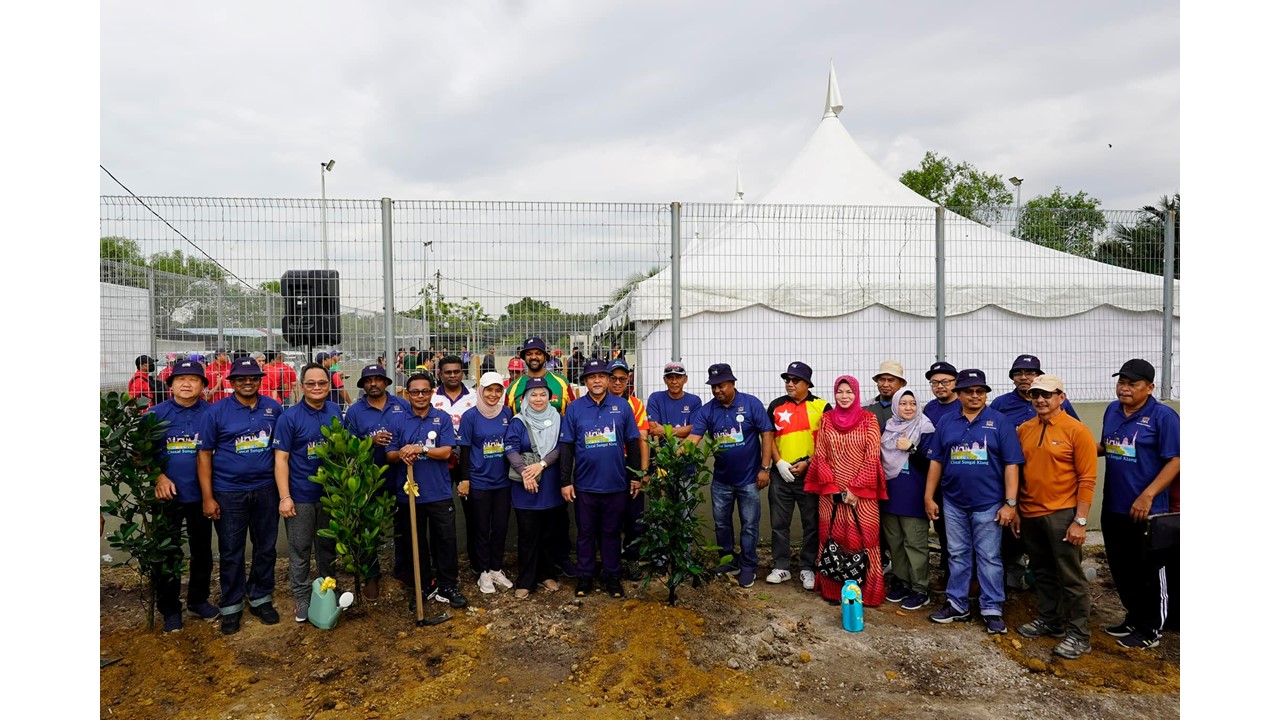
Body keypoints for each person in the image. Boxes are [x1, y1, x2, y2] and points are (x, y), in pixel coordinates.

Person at [924, 369, 1024, 635]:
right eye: (969, 391)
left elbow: (1012, 464)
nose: (975, 396)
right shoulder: (947, 421)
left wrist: (1010, 503)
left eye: (980, 391)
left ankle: (992, 608)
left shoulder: (999, 422)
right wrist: (929, 496)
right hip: (953, 502)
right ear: (959, 394)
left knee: (989, 557)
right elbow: (936, 461)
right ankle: (957, 603)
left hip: (989, 504)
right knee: (957, 554)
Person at [196, 357, 285, 635]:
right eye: (241, 378)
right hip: (228, 492)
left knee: (265, 547)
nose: (248, 382)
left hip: (266, 489)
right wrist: (208, 497)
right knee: (231, 551)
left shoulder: (273, 408)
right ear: (231, 382)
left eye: (254, 378)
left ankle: (260, 597)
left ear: (260, 380)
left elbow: (282, 451)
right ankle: (231, 605)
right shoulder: (215, 412)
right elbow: (204, 455)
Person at [1098, 358, 1179, 650]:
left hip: (1148, 510)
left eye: (1132, 384)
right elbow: (1107, 446)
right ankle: (1133, 618)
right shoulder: (1112, 410)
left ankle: (1151, 628)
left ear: (1150, 387)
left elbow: (1176, 460)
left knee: (1149, 570)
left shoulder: (1163, 417)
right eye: (1121, 382)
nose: (1124, 388)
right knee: (1122, 567)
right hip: (1115, 505)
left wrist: (1148, 494)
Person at [1015, 375, 1096, 659]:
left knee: (1071, 577)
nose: (1040, 400)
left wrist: (1080, 520)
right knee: (1042, 572)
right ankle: (1051, 620)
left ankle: (1079, 634)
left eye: (1047, 395)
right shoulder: (1024, 429)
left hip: (1062, 514)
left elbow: (1087, 479)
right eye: (1035, 394)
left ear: (1061, 397)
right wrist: (1015, 509)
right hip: (1030, 513)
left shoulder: (1077, 431)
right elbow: (1019, 473)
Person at [990, 354, 1081, 591]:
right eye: (1018, 373)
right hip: (1014, 478)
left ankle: (1042, 583)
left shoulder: (1059, 405)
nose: (1024, 377)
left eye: (1029, 373)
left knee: (1054, 547)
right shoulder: (1001, 404)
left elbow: (1074, 436)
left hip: (1053, 488)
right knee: (1013, 534)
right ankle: (1013, 575)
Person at [559, 358, 643, 599]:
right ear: (585, 381)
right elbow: (566, 447)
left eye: (601, 376)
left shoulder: (622, 406)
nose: (597, 380)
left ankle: (612, 576)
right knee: (585, 533)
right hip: (584, 486)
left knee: (611, 532)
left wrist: (636, 476)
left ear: (608, 380)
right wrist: (566, 481)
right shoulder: (574, 409)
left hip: (616, 484)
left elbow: (633, 443)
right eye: (591, 377)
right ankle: (584, 575)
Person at [687, 363, 775, 589]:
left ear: (732, 383)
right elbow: (693, 439)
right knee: (722, 524)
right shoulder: (707, 410)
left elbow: (766, 433)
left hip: (749, 480)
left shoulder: (751, 404)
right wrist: (672, 458)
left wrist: (765, 468)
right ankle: (727, 561)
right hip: (721, 482)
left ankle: (747, 566)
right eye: (714, 386)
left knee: (749, 525)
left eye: (721, 385)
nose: (717, 390)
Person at [387, 373, 469, 609]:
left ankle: (448, 585)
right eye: (415, 392)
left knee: (446, 539)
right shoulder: (399, 420)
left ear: (432, 392)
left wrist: (420, 449)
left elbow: (445, 452)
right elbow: (389, 455)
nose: (420, 396)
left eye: (425, 391)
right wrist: (401, 452)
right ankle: (424, 584)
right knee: (415, 542)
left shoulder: (441, 418)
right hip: (410, 494)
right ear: (407, 394)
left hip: (439, 492)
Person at [147, 359, 219, 632]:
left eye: (193, 379)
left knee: (202, 552)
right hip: (167, 498)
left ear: (203, 385)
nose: (186, 384)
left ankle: (198, 600)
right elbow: (141, 453)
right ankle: (169, 609)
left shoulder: (212, 413)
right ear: (170, 385)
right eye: (180, 379)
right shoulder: (154, 415)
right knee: (168, 555)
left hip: (202, 495)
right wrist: (158, 476)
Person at [806, 376, 886, 606]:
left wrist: (854, 489)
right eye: (840, 391)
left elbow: (872, 458)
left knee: (865, 539)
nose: (844, 396)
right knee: (832, 537)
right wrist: (832, 487)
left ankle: (866, 593)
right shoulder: (826, 420)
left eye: (849, 392)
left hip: (862, 494)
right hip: (830, 494)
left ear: (857, 394)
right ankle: (833, 591)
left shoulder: (869, 420)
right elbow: (820, 455)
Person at [272, 363, 342, 624]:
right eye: (311, 383)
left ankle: (328, 589)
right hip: (300, 495)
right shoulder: (289, 418)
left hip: (330, 494)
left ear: (329, 385)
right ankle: (302, 597)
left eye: (322, 383)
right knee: (300, 549)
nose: (316, 388)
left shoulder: (335, 412)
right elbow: (281, 459)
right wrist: (284, 496)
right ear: (302, 386)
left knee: (327, 547)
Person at [342, 364, 412, 598]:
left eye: (378, 379)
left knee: (403, 525)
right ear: (363, 385)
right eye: (369, 380)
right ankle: (372, 575)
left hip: (400, 475)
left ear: (385, 383)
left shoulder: (401, 405)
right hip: (369, 479)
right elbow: (346, 448)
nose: (374, 383)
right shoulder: (354, 411)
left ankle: (403, 570)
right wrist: (369, 442)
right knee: (368, 529)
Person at [765, 361, 828, 590]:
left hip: (810, 475)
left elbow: (827, 441)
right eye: (787, 380)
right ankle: (781, 566)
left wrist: (809, 464)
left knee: (811, 522)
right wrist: (779, 462)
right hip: (781, 474)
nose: (789, 384)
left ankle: (807, 567)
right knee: (779, 522)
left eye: (795, 380)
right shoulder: (775, 405)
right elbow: (768, 436)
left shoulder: (822, 407)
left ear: (807, 383)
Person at [505, 376, 568, 598]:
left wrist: (541, 465)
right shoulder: (518, 421)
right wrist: (525, 472)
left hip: (550, 484)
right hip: (526, 486)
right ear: (525, 398)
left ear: (550, 398)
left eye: (543, 394)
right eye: (534, 395)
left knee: (549, 533)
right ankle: (526, 580)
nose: (538, 399)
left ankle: (546, 575)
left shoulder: (559, 419)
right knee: (528, 534)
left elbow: (561, 447)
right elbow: (510, 447)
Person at [458, 373, 515, 595]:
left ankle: (495, 568)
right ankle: (482, 572)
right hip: (479, 482)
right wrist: (465, 480)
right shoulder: (470, 417)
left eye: (497, 390)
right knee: (481, 529)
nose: (493, 395)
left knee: (500, 527)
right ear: (480, 391)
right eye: (489, 390)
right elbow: (464, 450)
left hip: (503, 482)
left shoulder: (507, 413)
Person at [879, 387, 935, 611]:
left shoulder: (926, 428)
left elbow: (933, 463)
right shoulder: (888, 428)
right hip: (891, 495)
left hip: (914, 495)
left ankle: (920, 588)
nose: (908, 408)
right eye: (903, 403)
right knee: (896, 543)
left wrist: (911, 448)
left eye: (912, 403)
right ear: (895, 405)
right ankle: (902, 582)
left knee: (915, 543)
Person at [432, 354, 481, 574]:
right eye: (447, 372)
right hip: (439, 464)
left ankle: (477, 564)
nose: (452, 376)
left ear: (462, 372)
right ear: (439, 374)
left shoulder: (475, 397)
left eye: (456, 371)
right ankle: (440, 566)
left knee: (474, 515)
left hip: (468, 463)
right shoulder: (431, 398)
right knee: (439, 516)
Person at [607, 359, 649, 579]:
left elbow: (642, 440)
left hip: (630, 464)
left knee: (635, 518)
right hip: (606, 466)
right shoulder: (598, 403)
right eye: (612, 378)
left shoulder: (636, 405)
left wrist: (642, 473)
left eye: (622, 379)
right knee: (609, 517)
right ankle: (610, 562)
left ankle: (632, 559)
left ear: (628, 380)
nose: (617, 383)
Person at [922, 361, 960, 592]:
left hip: (959, 477)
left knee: (963, 532)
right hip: (936, 478)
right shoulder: (930, 409)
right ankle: (948, 573)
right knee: (944, 530)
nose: (940, 386)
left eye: (945, 382)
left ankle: (970, 577)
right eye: (935, 382)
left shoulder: (963, 406)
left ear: (955, 383)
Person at [505, 337, 576, 413]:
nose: (533, 357)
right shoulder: (513, 387)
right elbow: (507, 417)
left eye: (538, 353)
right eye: (529, 354)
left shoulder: (562, 382)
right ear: (524, 358)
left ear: (545, 356)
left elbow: (574, 413)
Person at [645, 362, 703, 441]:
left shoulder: (694, 401)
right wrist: (682, 433)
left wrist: (665, 431)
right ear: (664, 380)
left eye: (678, 377)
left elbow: (695, 429)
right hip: (660, 452)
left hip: (686, 451)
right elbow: (654, 429)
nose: (674, 381)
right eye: (670, 377)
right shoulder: (655, 398)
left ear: (685, 379)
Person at [864, 360, 908, 430]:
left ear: (901, 383)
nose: (885, 385)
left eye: (891, 380)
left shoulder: (908, 409)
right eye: (881, 380)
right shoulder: (865, 407)